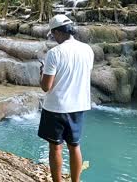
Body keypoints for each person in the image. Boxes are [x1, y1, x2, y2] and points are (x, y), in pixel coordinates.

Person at [38, 15, 94, 182]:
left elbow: (46, 86)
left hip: (56, 107)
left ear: (57, 32)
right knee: (74, 146)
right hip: (79, 106)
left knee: (55, 147)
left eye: (53, 34)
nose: (53, 38)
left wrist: (41, 73)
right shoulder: (87, 50)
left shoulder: (54, 53)